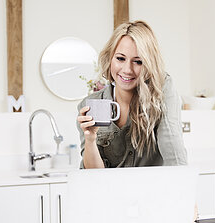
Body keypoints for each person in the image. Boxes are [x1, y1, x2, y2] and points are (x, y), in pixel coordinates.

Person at [77, 20, 187, 169]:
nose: (127, 69)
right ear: (110, 58)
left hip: (152, 190)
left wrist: (182, 186)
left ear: (149, 64)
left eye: (138, 62)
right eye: (120, 59)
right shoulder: (90, 105)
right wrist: (90, 139)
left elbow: (172, 146)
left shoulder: (162, 90)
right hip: (109, 190)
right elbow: (93, 176)